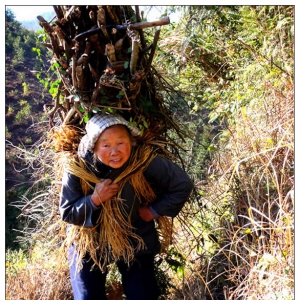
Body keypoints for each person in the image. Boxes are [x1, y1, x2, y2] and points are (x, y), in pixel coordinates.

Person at [59, 113, 194, 300]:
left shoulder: (141, 161)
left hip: (134, 236)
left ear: (130, 142)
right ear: (94, 148)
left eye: (121, 143)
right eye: (106, 145)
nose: (115, 151)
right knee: (87, 296)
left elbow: (181, 184)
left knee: (143, 295)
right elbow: (67, 212)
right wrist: (94, 199)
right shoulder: (77, 168)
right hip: (90, 240)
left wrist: (153, 211)